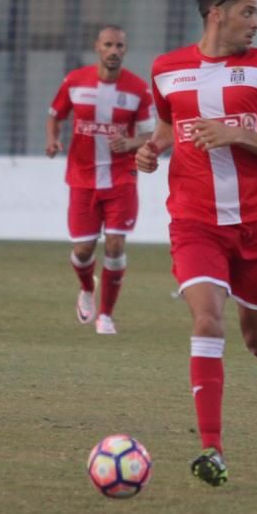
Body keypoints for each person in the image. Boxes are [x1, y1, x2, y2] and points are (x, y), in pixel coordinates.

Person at [135, 0, 257, 487]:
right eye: (248, 12)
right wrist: (152, 147)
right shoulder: (166, 69)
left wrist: (235, 134)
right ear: (217, 14)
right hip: (195, 223)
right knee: (207, 320)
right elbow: (171, 122)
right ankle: (212, 449)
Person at [46, 25, 154, 335]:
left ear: (125, 50)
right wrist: (53, 140)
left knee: (116, 245)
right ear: (98, 47)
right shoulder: (75, 81)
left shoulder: (137, 89)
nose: (114, 51)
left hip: (121, 178)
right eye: (108, 45)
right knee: (82, 251)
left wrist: (131, 144)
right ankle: (86, 289)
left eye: (120, 46)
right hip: (82, 177)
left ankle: (106, 315)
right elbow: (55, 114)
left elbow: (151, 133)